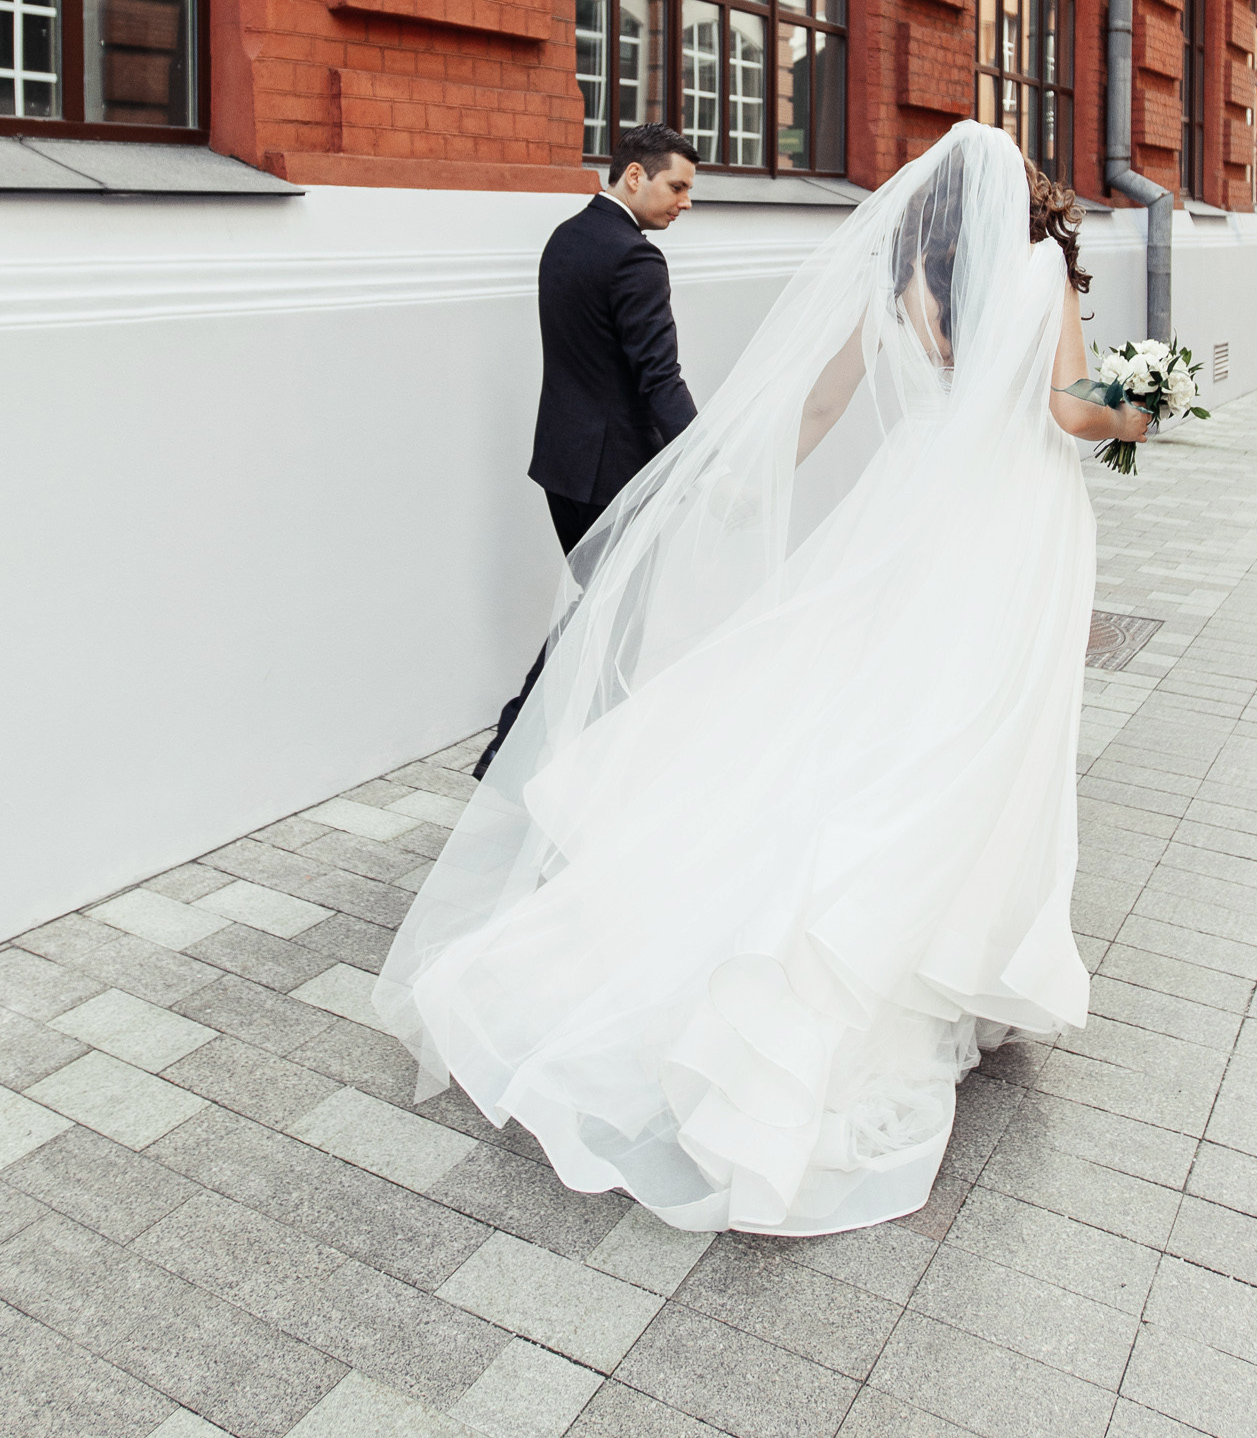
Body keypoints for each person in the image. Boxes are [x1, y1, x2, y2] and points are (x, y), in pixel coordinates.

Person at [379, 122, 1151, 1237]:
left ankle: (892, 935)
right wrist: (1149, 405)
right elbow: (1071, 409)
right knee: (977, 730)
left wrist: (735, 485)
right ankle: (933, 949)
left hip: (918, 511)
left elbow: (825, 404)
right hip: (1011, 527)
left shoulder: (900, 276)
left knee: (890, 717)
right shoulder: (1037, 264)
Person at [474, 124, 699, 777]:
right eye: (677, 185)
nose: (684, 201)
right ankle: (536, 749)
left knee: (590, 605)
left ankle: (539, 744)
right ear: (636, 174)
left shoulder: (566, 237)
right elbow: (660, 379)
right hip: (616, 474)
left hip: (562, 465)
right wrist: (711, 460)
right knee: (611, 621)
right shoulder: (634, 257)